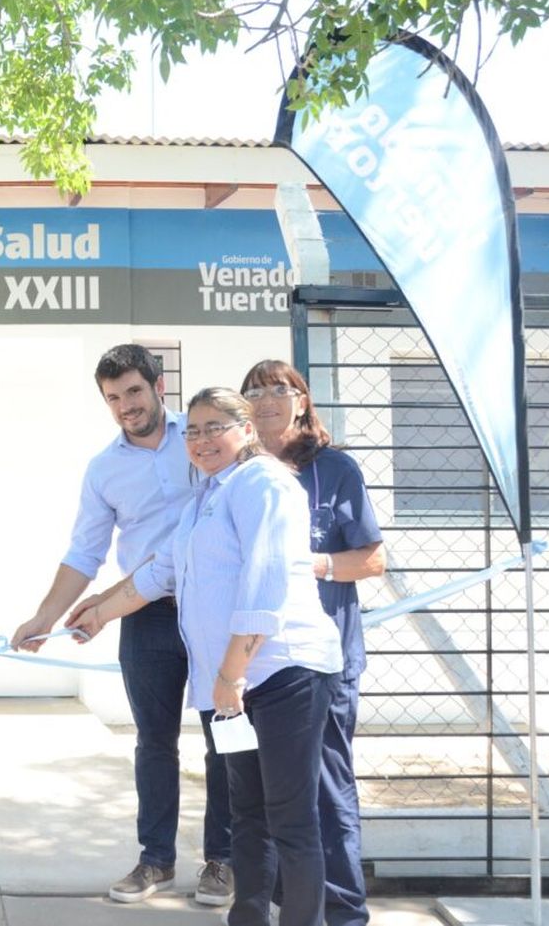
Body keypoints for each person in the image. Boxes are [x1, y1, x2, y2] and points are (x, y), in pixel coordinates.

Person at [69, 387, 344, 926]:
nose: (200, 439)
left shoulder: (263, 483)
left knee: (290, 820)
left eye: (214, 426)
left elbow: (266, 585)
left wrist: (230, 677)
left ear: (245, 430)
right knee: (247, 816)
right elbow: (157, 573)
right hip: (233, 688)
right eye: (192, 430)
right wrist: (99, 611)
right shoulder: (204, 501)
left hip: (281, 675)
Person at [10, 344, 232, 905]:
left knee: (223, 735)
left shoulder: (200, 438)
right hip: (146, 616)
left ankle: (224, 861)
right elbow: (84, 552)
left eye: (133, 391)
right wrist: (45, 615)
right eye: (113, 399)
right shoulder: (103, 468)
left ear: (158, 386)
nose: (125, 406)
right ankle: (156, 860)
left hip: (214, 609)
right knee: (154, 742)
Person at [241, 360, 384, 926]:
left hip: (323, 666)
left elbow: (371, 560)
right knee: (266, 800)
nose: (267, 399)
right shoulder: (240, 473)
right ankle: (292, 907)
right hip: (256, 667)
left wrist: (310, 566)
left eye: (280, 389)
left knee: (326, 790)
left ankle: (345, 912)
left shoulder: (334, 470)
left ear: (302, 400)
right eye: (254, 391)